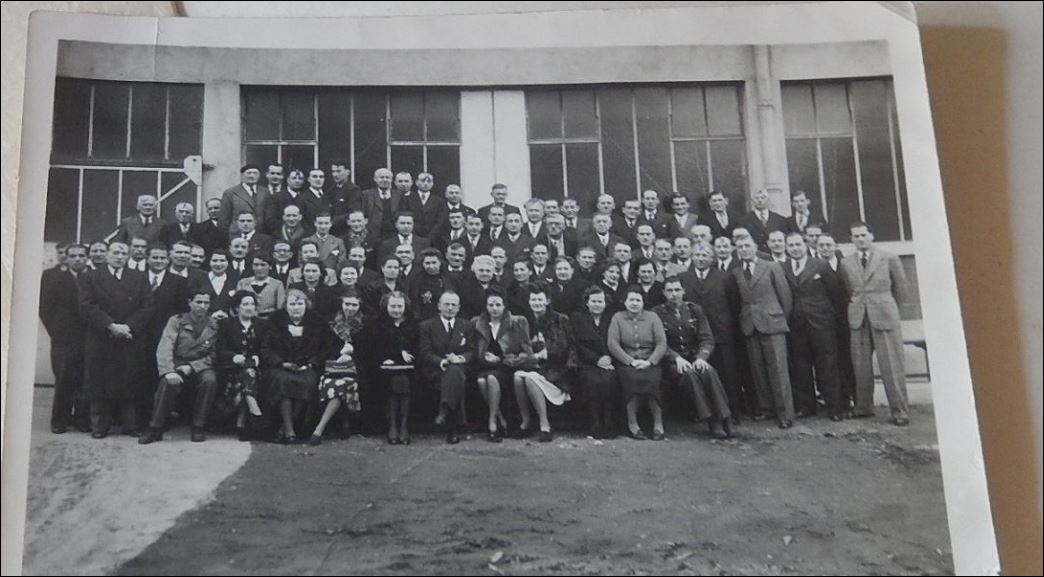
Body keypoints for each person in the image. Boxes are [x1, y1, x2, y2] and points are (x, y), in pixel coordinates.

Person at [79, 241, 154, 438]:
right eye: (115, 252)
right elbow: (86, 306)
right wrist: (111, 326)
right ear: (107, 255)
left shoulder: (139, 277)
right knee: (99, 382)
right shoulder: (91, 277)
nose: (119, 256)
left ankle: (130, 425)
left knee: (130, 380)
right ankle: (100, 426)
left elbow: (147, 307)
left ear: (128, 255)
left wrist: (128, 327)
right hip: (101, 336)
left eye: (123, 253)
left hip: (130, 337)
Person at [841, 222, 911, 426]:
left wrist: (886, 307)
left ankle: (899, 411)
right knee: (861, 366)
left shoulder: (889, 258)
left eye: (863, 235)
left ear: (871, 235)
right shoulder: (846, 263)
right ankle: (863, 407)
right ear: (851, 239)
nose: (860, 239)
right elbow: (849, 290)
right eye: (856, 236)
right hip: (858, 317)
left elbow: (902, 290)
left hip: (884, 315)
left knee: (891, 366)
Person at [655, 277, 733, 439]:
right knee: (689, 374)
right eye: (669, 291)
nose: (673, 294)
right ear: (663, 293)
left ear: (683, 291)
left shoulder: (694, 310)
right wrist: (675, 358)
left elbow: (707, 338)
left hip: (694, 356)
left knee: (708, 371)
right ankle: (711, 420)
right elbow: (658, 343)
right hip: (671, 362)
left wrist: (702, 358)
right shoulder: (657, 313)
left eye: (677, 290)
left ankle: (724, 417)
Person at [139, 289, 220, 444]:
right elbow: (165, 347)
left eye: (206, 303)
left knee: (210, 380)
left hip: (200, 365)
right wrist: (168, 371)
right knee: (167, 383)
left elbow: (215, 354)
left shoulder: (214, 325)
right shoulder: (176, 321)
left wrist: (193, 366)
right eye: (198, 302)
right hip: (177, 362)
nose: (202, 306)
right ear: (189, 302)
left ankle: (199, 425)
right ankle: (156, 427)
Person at [783, 233, 847, 420]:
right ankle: (806, 406)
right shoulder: (783, 267)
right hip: (796, 324)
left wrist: (831, 320)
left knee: (828, 365)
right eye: (791, 245)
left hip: (822, 323)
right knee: (801, 366)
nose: (794, 248)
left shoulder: (820, 265)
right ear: (787, 248)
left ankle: (835, 407)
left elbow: (836, 294)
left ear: (805, 245)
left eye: (797, 244)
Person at [733, 235, 795, 428]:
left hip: (772, 323)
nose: (743, 249)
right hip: (750, 325)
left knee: (778, 369)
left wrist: (778, 317)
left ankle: (785, 414)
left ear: (755, 247)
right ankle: (767, 408)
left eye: (747, 245)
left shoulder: (771, 266)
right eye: (740, 246)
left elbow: (785, 296)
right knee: (758, 370)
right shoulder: (737, 272)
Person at [683, 241, 742, 419]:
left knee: (727, 373)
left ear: (712, 258)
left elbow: (734, 305)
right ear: (692, 257)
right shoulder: (684, 277)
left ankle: (731, 412)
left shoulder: (725, 277)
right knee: (699, 373)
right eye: (698, 255)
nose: (701, 259)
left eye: (705, 256)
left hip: (721, 331)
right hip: (696, 333)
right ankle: (701, 413)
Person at [263, 289, 330, 444]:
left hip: (307, 367)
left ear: (306, 305)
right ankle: (290, 430)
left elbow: (325, 348)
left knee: (307, 383)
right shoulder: (274, 320)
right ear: (285, 306)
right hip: (280, 367)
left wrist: (312, 363)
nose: (296, 307)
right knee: (283, 382)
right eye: (292, 304)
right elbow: (266, 348)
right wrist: (281, 362)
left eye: (300, 304)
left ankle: (285, 429)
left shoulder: (317, 321)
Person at [472, 288, 534, 442]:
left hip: (508, 366)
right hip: (485, 366)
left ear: (504, 306)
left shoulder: (517, 322)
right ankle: (500, 419)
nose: (494, 308)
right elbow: (473, 349)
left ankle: (492, 423)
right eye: (491, 305)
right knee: (481, 380)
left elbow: (527, 351)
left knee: (491, 379)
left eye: (498, 305)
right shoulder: (478, 323)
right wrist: (484, 356)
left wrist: (504, 359)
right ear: (486, 306)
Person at [40, 242, 89, 433]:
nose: (77, 259)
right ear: (67, 258)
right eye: (73, 256)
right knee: (64, 379)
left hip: (87, 338)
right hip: (63, 339)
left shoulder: (91, 278)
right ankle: (59, 419)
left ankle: (81, 419)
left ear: (87, 258)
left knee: (84, 379)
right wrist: (56, 332)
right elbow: (44, 308)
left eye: (81, 256)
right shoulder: (53, 278)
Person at [608, 288, 668, 440]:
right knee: (632, 380)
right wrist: (630, 361)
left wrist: (650, 361)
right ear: (625, 302)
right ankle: (633, 424)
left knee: (652, 380)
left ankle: (658, 424)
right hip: (626, 362)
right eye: (631, 300)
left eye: (638, 300)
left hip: (650, 361)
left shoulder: (653, 317)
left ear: (643, 302)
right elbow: (613, 344)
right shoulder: (618, 318)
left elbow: (661, 343)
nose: (634, 304)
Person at [515, 286, 574, 442]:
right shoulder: (525, 321)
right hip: (533, 365)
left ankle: (544, 424)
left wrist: (540, 356)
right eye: (533, 299)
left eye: (540, 299)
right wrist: (531, 357)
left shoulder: (560, 319)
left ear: (547, 301)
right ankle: (526, 421)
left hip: (555, 370)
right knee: (517, 377)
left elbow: (562, 349)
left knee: (529, 378)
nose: (536, 303)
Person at [309, 290, 366, 445]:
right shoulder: (330, 323)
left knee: (340, 385)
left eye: (354, 305)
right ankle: (343, 421)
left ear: (359, 306)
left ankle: (319, 430)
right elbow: (323, 347)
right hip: (332, 364)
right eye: (347, 304)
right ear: (341, 304)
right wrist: (339, 354)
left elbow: (369, 350)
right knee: (333, 384)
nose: (350, 308)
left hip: (357, 367)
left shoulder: (366, 324)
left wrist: (351, 354)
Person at [418, 291, 475, 444]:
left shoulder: (466, 325)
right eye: (446, 304)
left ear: (458, 307)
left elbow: (472, 350)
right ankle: (455, 425)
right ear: (439, 306)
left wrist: (459, 358)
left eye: (453, 305)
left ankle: (445, 410)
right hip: (435, 369)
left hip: (460, 368)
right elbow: (424, 352)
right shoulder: (426, 326)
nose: (450, 308)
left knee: (455, 371)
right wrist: (441, 361)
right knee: (453, 372)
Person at [216, 291, 268, 442]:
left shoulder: (262, 324)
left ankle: (242, 424)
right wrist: (233, 356)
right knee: (247, 375)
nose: (249, 308)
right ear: (237, 307)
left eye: (252, 304)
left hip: (256, 369)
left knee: (249, 373)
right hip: (231, 369)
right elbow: (220, 349)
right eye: (245, 304)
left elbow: (266, 347)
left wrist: (259, 356)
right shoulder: (226, 324)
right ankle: (255, 413)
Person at [371, 291, 419, 445]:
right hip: (383, 368)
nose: (396, 310)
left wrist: (406, 353)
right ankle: (393, 425)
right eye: (393, 306)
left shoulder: (413, 323)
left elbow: (417, 348)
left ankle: (403, 426)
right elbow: (375, 348)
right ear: (386, 306)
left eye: (400, 306)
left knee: (403, 380)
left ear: (405, 307)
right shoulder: (377, 323)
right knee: (396, 380)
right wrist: (397, 354)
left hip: (411, 368)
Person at [571, 286, 618, 439]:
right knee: (592, 381)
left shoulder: (612, 318)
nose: (597, 304)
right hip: (586, 361)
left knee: (609, 380)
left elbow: (616, 341)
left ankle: (609, 421)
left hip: (609, 360)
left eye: (600, 301)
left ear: (605, 303)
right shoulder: (577, 317)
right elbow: (576, 343)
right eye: (594, 301)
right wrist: (596, 360)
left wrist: (607, 358)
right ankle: (595, 422)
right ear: (587, 303)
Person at [220, 164, 269, 235]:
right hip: (237, 234)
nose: (252, 176)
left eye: (255, 173)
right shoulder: (231, 193)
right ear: (242, 175)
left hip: (260, 234)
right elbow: (224, 219)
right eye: (248, 173)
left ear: (259, 176)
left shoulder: (265, 192)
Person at [236, 253, 286, 317]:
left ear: (270, 266)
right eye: (256, 265)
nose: (259, 268)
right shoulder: (242, 283)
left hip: (269, 322)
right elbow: (237, 306)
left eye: (263, 265)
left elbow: (280, 309)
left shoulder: (277, 284)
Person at [361, 168, 404, 239]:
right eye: (382, 177)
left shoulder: (399, 195)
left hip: (394, 234)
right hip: (373, 234)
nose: (385, 180)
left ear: (391, 180)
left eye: (387, 178)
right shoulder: (367, 195)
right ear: (375, 179)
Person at [740, 187, 788, 252]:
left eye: (763, 197)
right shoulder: (744, 220)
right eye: (757, 198)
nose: (760, 200)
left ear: (768, 200)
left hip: (775, 254)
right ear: (752, 201)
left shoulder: (779, 219)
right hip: (755, 254)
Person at [408, 172, 446, 239]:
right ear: (416, 182)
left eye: (429, 181)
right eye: (422, 181)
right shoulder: (409, 199)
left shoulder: (439, 201)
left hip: (433, 238)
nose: (426, 183)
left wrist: (429, 237)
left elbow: (440, 222)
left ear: (432, 184)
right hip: (413, 237)